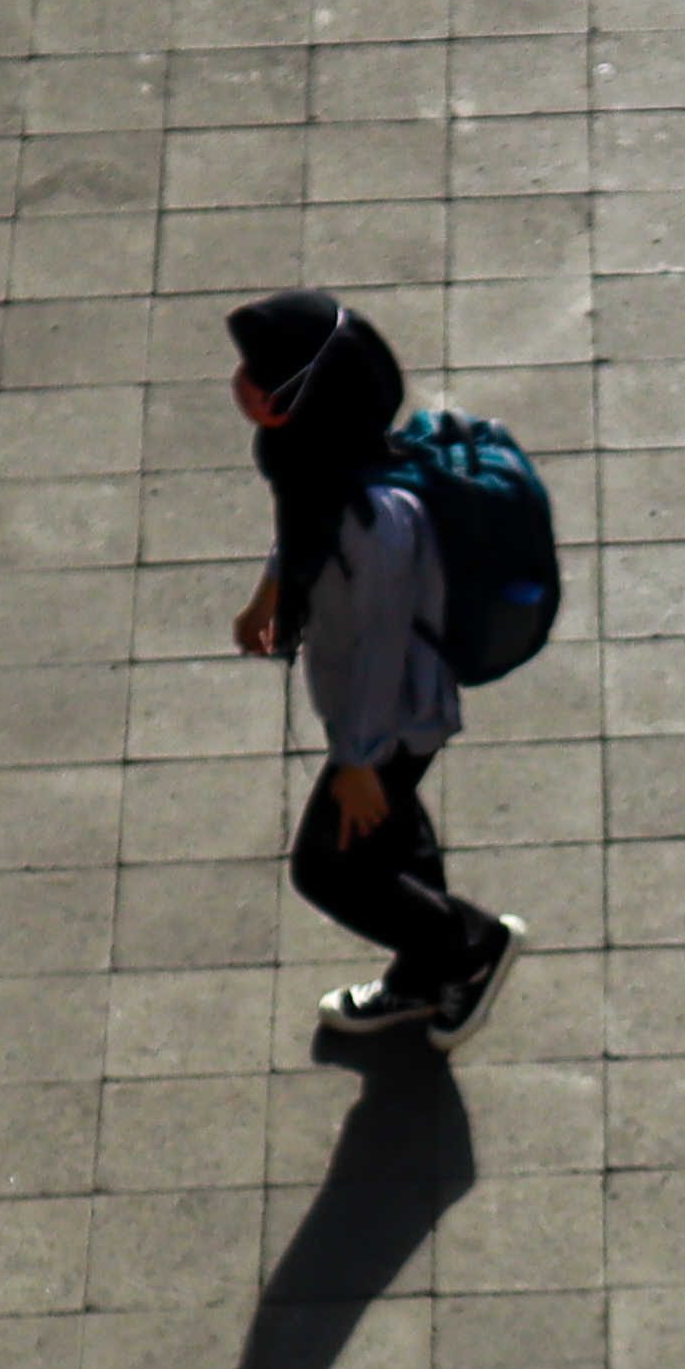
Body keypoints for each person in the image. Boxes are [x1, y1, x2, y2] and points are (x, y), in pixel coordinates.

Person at [226, 291, 523, 1046]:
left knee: (326, 869)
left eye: (266, 378)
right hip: (366, 708)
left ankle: (470, 947)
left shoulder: (378, 523)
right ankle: (426, 978)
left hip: (395, 718)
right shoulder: (310, 460)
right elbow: (301, 530)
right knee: (390, 843)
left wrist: (358, 759)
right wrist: (271, 590)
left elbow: (386, 645)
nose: (243, 384)